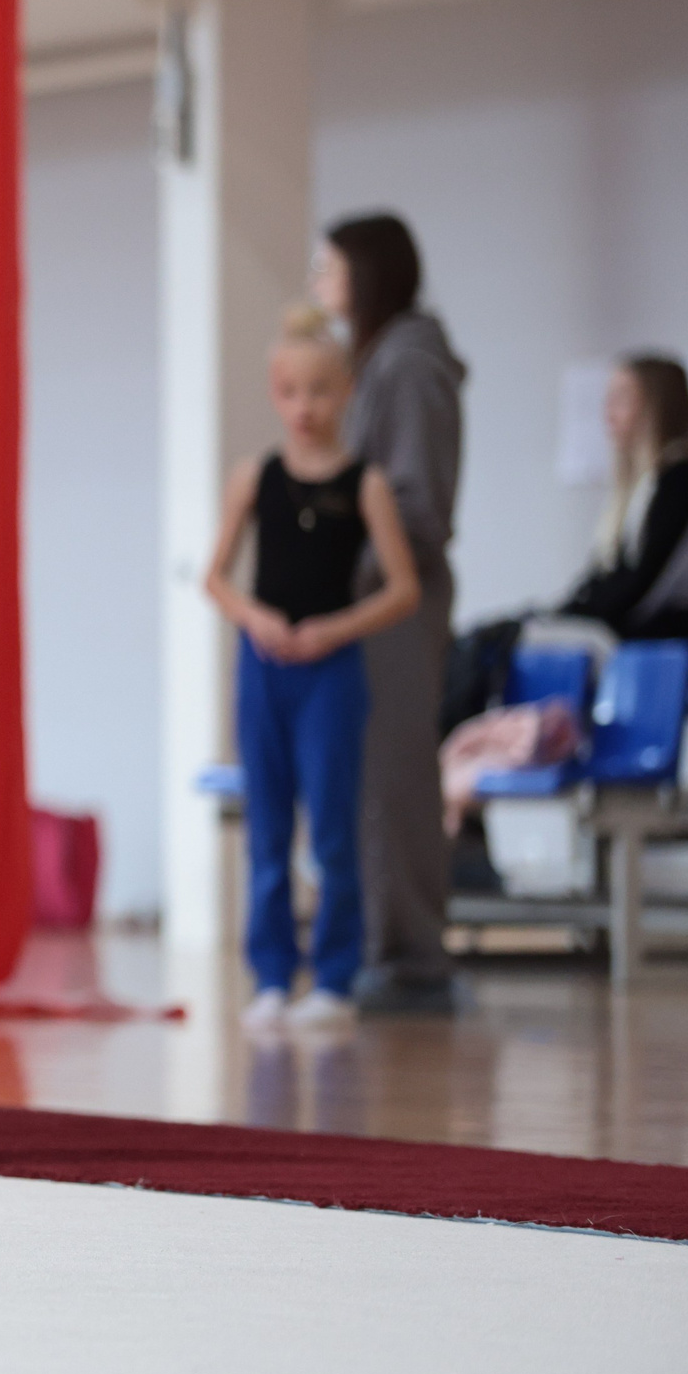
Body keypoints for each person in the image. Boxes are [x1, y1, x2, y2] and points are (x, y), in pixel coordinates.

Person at [205, 307, 422, 1033]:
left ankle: (334, 977)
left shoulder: (366, 485)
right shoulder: (254, 476)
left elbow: (403, 588)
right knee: (267, 826)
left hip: (331, 674)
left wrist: (333, 628)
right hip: (265, 668)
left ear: (348, 390)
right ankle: (270, 975)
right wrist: (255, 616)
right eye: (292, 391)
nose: (307, 406)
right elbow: (215, 578)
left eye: (322, 391)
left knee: (330, 828)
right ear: (274, 392)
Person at [311, 213, 465, 1014]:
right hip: (364, 604)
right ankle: (378, 946)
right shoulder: (376, 364)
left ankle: (409, 959)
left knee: (394, 780)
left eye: (329, 268)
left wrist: (344, 558)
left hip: (393, 603)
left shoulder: (407, 366)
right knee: (363, 777)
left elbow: (418, 507)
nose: (318, 283)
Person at [556, 355, 688, 664]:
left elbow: (642, 587)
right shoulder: (641, 485)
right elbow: (607, 574)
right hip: (635, 627)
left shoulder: (680, 479)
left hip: (664, 637)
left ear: (657, 406)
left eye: (622, 398)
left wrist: (574, 618)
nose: (608, 412)